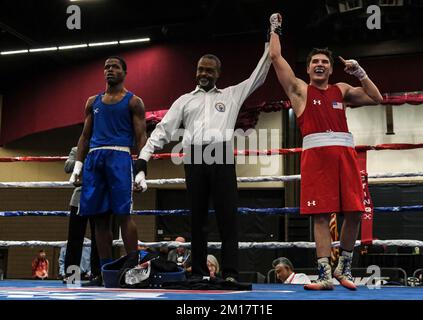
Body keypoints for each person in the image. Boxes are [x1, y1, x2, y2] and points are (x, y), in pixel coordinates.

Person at [133, 34, 272, 283]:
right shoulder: (185, 100)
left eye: (209, 70)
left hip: (221, 155)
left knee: (227, 217)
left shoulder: (231, 94)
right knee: (197, 219)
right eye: (200, 69)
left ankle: (230, 274)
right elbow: (162, 131)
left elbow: (258, 76)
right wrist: (143, 159)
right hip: (195, 157)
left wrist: (272, 38)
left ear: (218, 73)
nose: (203, 73)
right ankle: (197, 273)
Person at [268, 13, 383, 290]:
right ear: (308, 69)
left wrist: (360, 73)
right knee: (321, 215)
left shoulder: (341, 89)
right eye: (315, 62)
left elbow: (376, 98)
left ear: (331, 69)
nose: (320, 65)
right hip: (317, 159)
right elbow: (275, 57)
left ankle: (343, 268)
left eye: (325, 62)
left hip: (345, 156)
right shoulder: (299, 90)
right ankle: (324, 275)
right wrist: (275, 29)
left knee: (354, 212)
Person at [69, 56, 148, 286]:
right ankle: (105, 272)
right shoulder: (92, 102)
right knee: (99, 218)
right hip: (94, 158)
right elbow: (84, 136)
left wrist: (142, 170)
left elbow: (141, 136)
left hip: (120, 157)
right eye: (106, 67)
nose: (109, 70)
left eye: (114, 67)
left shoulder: (134, 102)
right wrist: (78, 166)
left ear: (125, 72)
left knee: (124, 214)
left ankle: (133, 268)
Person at [63, 146, 101, 285]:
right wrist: (84, 160)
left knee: (98, 238)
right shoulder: (77, 150)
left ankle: (97, 274)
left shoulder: (102, 150)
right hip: (79, 198)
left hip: (98, 197)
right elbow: (67, 167)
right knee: (75, 238)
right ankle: (71, 275)